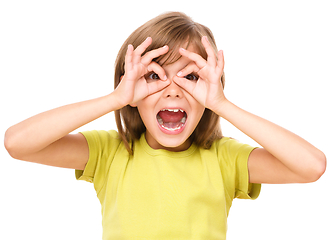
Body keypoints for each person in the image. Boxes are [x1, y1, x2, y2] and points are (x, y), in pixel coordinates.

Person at [4, 12, 326, 239]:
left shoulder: (223, 160)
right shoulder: (112, 154)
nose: (173, 89)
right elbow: (17, 142)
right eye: (155, 76)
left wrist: (223, 105)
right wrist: (115, 98)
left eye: (190, 77)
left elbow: (311, 166)